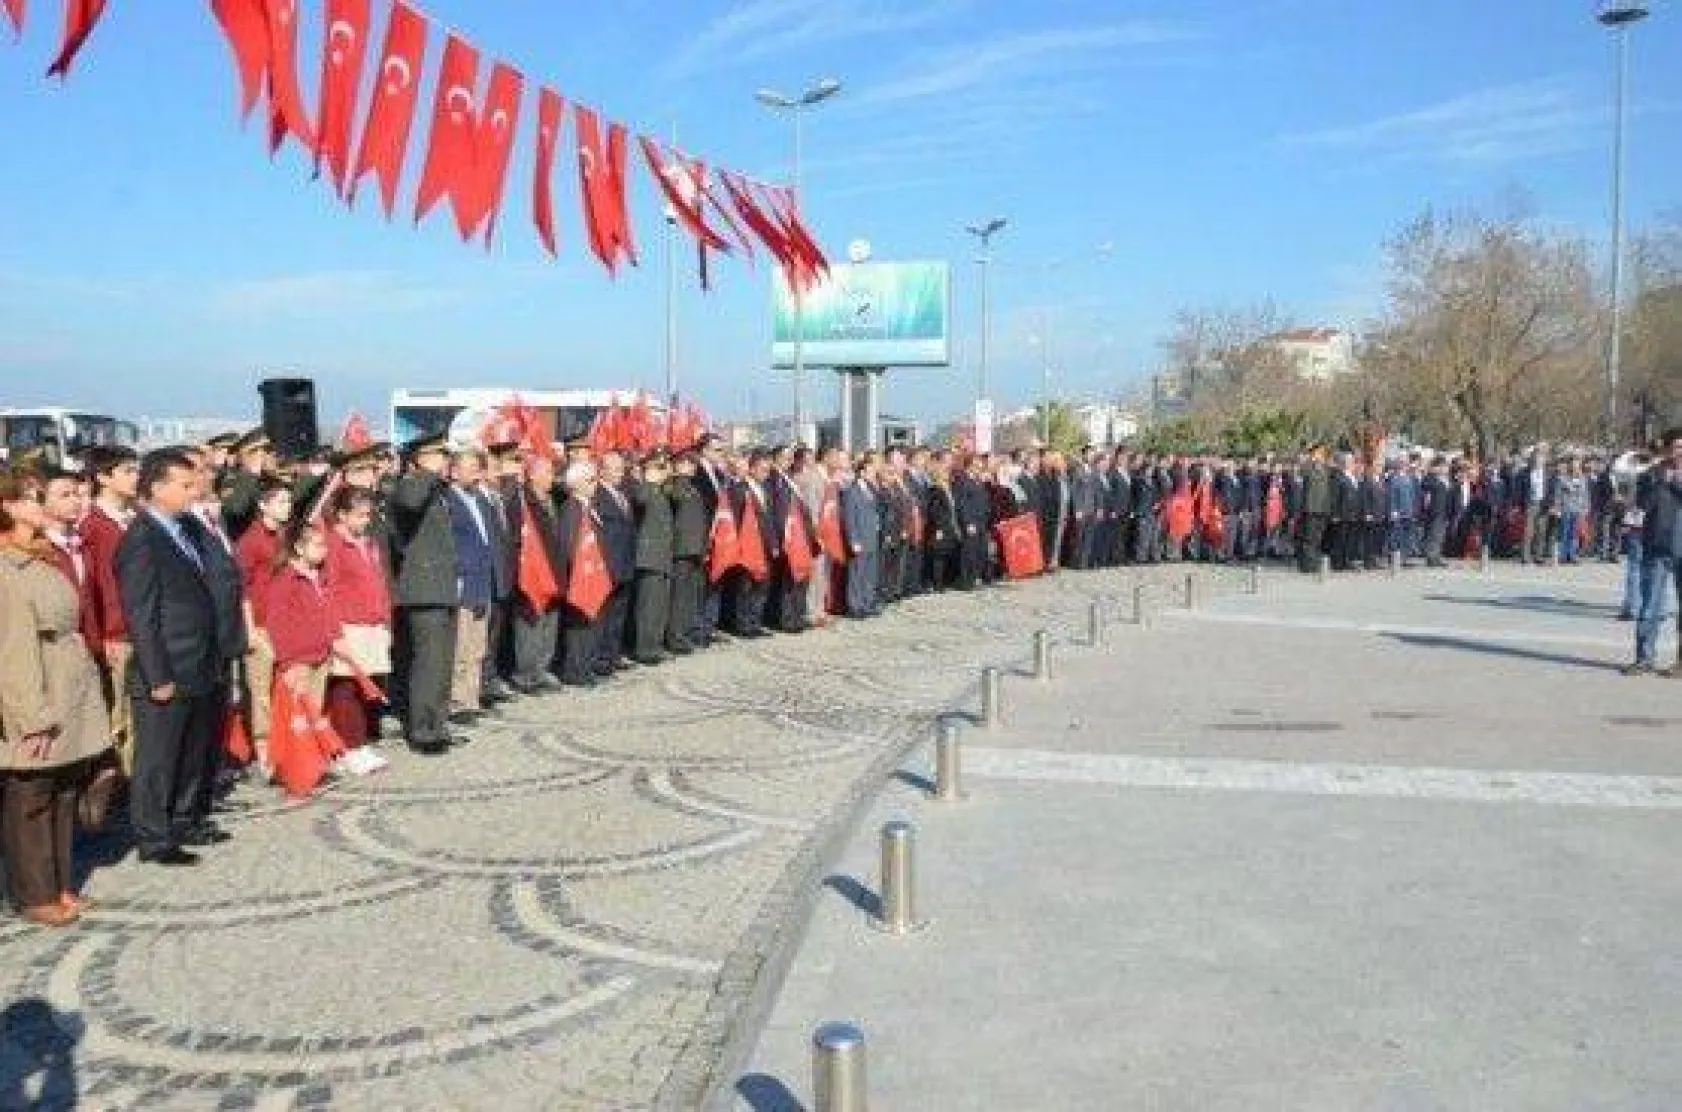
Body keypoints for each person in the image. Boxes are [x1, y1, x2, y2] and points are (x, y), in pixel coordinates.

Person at [0, 466, 116, 924]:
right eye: (31, 498)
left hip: (69, 686)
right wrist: (31, 716)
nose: (40, 505)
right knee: (30, 797)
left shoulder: (42, 556)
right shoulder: (9, 568)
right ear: (7, 506)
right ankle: (33, 892)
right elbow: (13, 651)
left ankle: (61, 882)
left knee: (64, 791)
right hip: (37, 691)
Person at [116, 449, 229, 866]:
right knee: (158, 757)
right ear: (157, 487)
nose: (193, 490)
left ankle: (183, 819)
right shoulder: (142, 538)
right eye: (183, 484)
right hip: (166, 665)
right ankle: (154, 837)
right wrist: (156, 673)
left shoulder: (186, 529)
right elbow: (140, 614)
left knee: (191, 750)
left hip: (199, 660)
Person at [388, 434, 461, 755]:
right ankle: (421, 729)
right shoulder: (408, 484)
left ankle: (437, 723)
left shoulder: (438, 490)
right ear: (418, 458)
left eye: (443, 455)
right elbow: (410, 502)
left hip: (441, 587)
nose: (443, 460)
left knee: (442, 663)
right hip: (422, 589)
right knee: (427, 663)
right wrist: (428, 472)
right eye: (436, 455)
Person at [79, 445, 140, 775]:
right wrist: (104, 635)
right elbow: (95, 586)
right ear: (103, 477)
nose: (135, 478)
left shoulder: (133, 519)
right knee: (119, 715)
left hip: (142, 629)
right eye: (126, 471)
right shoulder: (94, 526)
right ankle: (120, 786)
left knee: (140, 714)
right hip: (116, 634)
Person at [322, 486, 394, 760]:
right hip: (348, 625)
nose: (366, 521)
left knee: (369, 685)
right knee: (346, 687)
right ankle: (349, 746)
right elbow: (327, 591)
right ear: (341, 515)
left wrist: (386, 622)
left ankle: (361, 741)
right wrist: (335, 632)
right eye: (360, 516)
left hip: (372, 623)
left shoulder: (369, 543)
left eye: (368, 515)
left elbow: (380, 582)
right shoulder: (333, 544)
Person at [233, 478, 292, 766]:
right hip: (259, 624)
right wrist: (250, 630)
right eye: (280, 502)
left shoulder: (284, 537)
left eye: (289, 501)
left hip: (282, 622)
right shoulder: (250, 541)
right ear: (263, 505)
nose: (287, 507)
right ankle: (263, 747)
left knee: (278, 687)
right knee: (259, 691)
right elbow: (241, 589)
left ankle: (283, 743)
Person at [445, 449, 496, 723]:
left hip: (482, 580)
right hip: (463, 581)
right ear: (454, 471)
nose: (476, 473)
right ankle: (457, 702)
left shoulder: (480, 499)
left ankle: (471, 698)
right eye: (470, 468)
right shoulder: (448, 500)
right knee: (461, 648)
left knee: (477, 647)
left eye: (478, 468)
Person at [1626, 431, 1682, 677]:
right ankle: (1644, 657)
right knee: (1650, 605)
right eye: (1677, 447)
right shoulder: (1651, 474)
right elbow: (1641, 505)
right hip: (1656, 546)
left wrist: (1677, 482)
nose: (1680, 452)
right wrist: (1657, 480)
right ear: (1668, 449)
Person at [629, 450, 676, 664]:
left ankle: (655, 645)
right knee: (648, 607)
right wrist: (649, 479)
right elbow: (640, 500)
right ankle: (645, 649)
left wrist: (666, 476)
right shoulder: (641, 486)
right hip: (648, 556)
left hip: (662, 555)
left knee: (659, 605)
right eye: (658, 466)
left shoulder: (661, 489)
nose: (662, 470)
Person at [666, 451, 710, 652]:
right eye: (688, 464)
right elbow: (676, 497)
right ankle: (675, 638)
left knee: (689, 596)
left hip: (694, 549)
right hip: (681, 550)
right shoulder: (675, 484)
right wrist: (678, 474)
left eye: (693, 464)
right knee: (678, 598)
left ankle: (683, 633)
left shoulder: (692, 486)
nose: (693, 467)